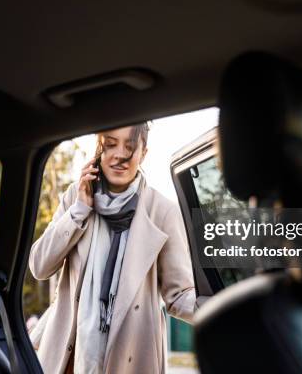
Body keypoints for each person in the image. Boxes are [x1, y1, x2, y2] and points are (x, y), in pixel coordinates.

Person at [29, 123, 196, 374]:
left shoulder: (162, 211)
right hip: (71, 360)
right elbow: (39, 267)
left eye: (129, 147)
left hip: (132, 357)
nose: (119, 154)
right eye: (110, 144)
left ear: (144, 153)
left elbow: (179, 296)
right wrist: (79, 211)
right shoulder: (75, 196)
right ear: (99, 147)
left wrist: (225, 308)